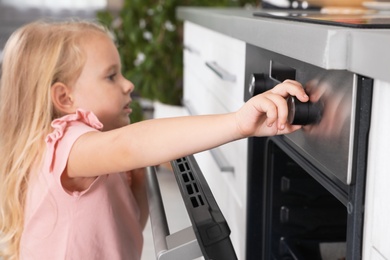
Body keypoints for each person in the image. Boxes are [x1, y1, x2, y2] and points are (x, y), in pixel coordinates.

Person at [0, 20, 309, 260]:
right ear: (64, 98)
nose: (128, 84)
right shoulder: (67, 143)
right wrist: (236, 123)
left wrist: (136, 174)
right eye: (111, 76)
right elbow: (128, 145)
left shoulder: (85, 152)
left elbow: (131, 223)